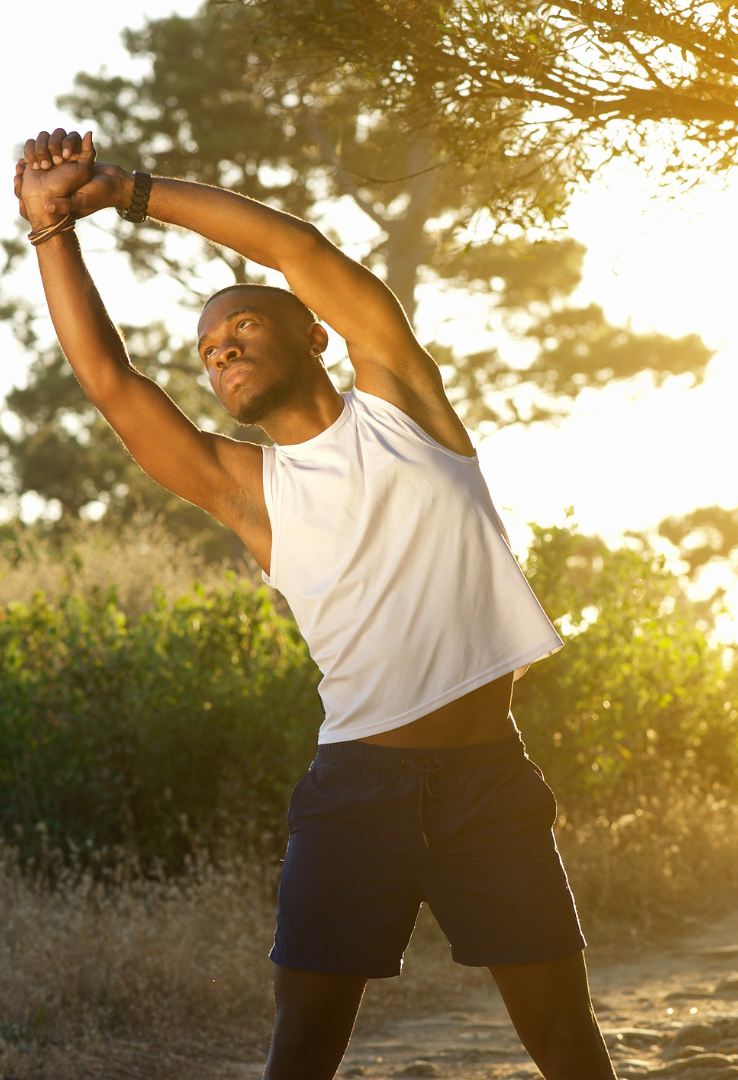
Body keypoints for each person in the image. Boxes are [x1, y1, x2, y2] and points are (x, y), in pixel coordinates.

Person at [14, 128, 616, 1080]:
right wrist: (51, 231)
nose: (223, 353)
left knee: (566, 1041)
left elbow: (296, 250)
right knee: (302, 1051)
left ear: (313, 334)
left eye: (242, 328)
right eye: (209, 352)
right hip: (355, 798)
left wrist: (125, 191)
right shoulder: (247, 490)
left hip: (488, 786)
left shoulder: (403, 404)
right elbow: (109, 382)